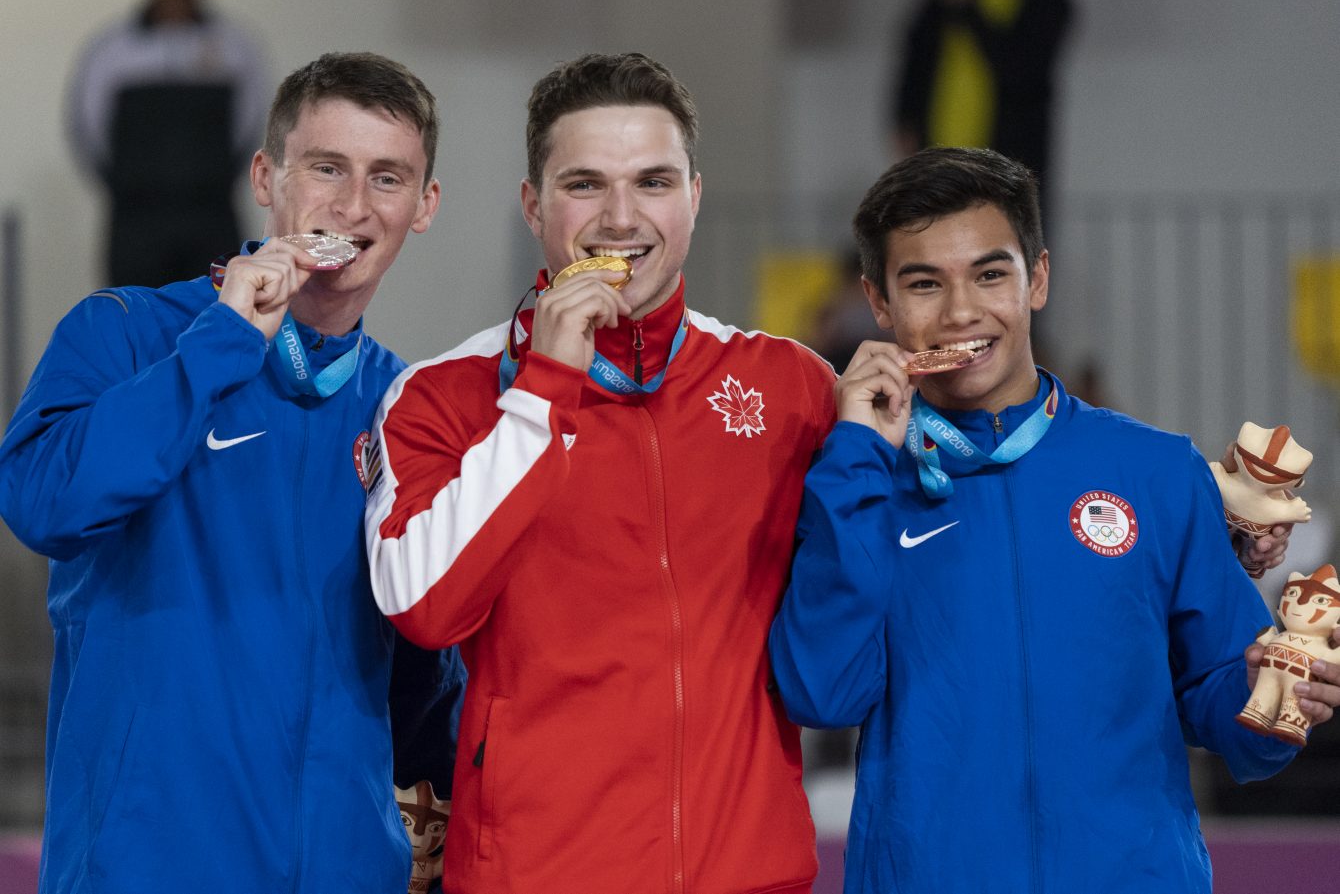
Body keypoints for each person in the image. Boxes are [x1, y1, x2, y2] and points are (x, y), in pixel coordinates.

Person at [767, 147, 1340, 894]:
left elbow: (1228, 709)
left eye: (990, 274)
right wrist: (856, 457)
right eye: (924, 283)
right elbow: (821, 694)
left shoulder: (1157, 470)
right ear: (879, 302)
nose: (961, 311)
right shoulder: (858, 480)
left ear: (1037, 278)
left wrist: (1271, 699)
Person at [364, 52, 835, 894]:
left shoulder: (789, 386)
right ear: (532, 204)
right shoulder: (443, 395)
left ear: (694, 195)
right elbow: (425, 606)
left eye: (653, 182)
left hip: (750, 876)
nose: (621, 217)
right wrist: (543, 389)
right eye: (585, 184)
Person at [0, 52, 464, 893]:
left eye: (387, 177)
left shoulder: (408, 407)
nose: (353, 205)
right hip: (145, 872)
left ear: (424, 206)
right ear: (264, 177)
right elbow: (41, 502)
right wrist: (219, 347)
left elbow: (427, 660)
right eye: (327, 167)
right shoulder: (125, 332)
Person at [66, 0, 270, 288]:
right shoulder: (112, 49)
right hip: (136, 223)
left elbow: (250, 125)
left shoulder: (235, 46)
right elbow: (88, 130)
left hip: (212, 218)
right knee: (134, 315)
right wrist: (131, 184)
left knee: (219, 311)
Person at [890, 0, 1072, 211]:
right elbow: (916, 61)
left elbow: (1018, 69)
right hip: (938, 156)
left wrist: (966, 3)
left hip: (1007, 160)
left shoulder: (1046, 0)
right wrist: (905, 118)